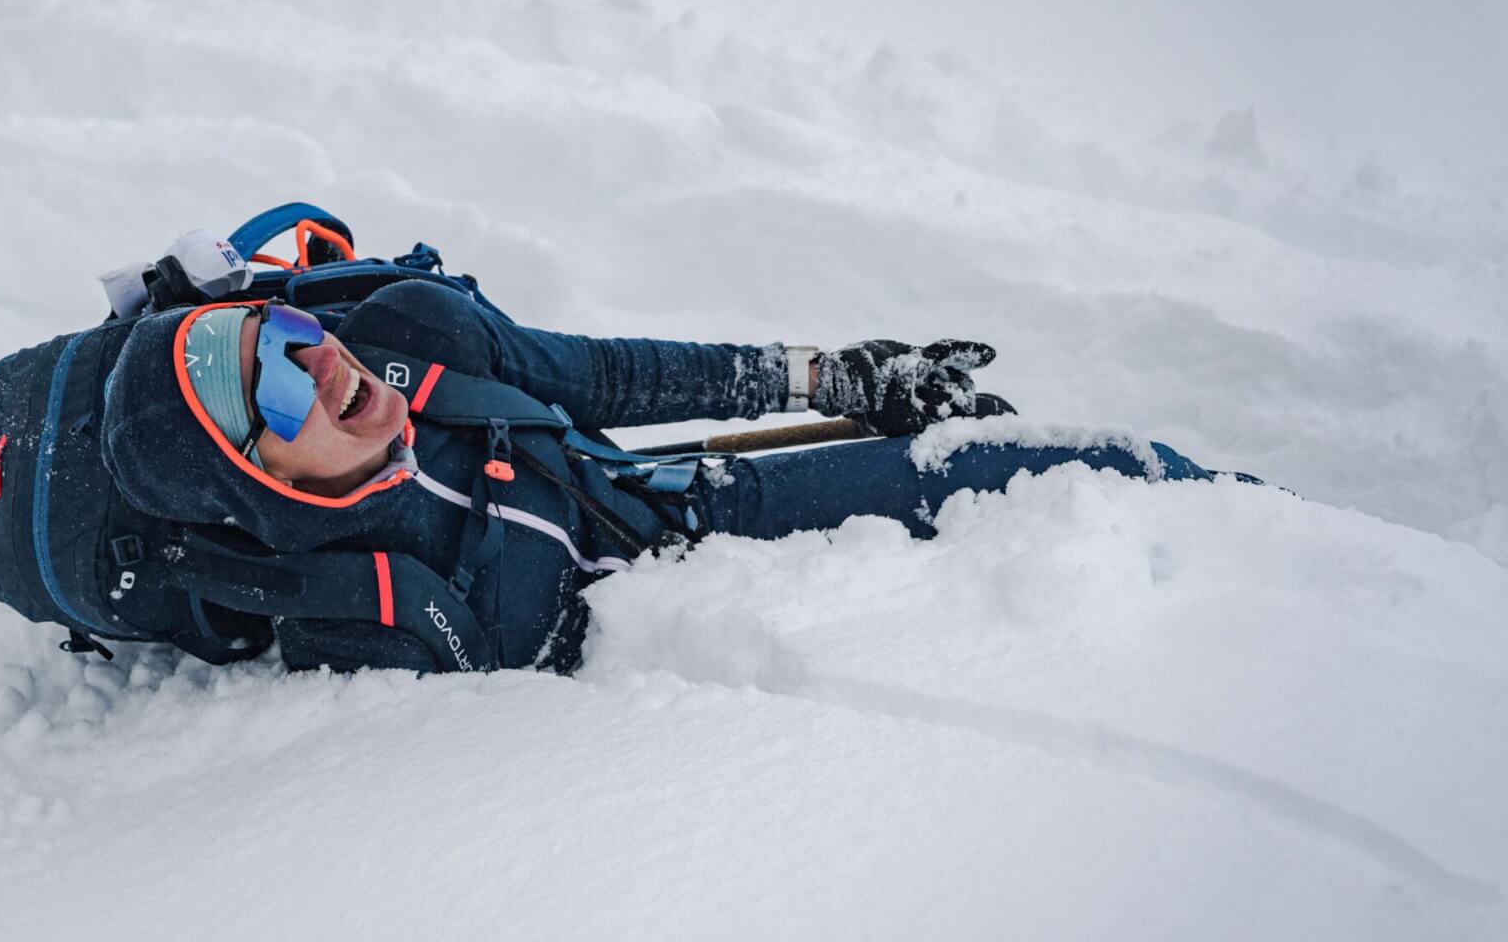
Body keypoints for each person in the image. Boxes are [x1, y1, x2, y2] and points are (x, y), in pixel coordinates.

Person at [99, 279, 1231, 675]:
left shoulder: (416, 337)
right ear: (251, 480)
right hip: (695, 582)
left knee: (1101, 469)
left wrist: (836, 378)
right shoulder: (362, 623)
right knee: (1060, 478)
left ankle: (1270, 536)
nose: (319, 360)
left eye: (291, 330)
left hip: (674, 498)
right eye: (274, 390)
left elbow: (611, 378)